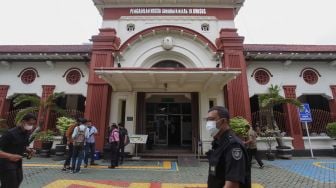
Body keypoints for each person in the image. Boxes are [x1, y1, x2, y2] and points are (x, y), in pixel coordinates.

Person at [206, 106, 251, 188]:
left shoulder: (233, 145)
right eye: (207, 120)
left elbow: (232, 185)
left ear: (223, 121)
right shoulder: (218, 143)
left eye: (211, 119)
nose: (208, 123)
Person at [0, 113, 37, 188]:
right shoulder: (10, 133)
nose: (31, 126)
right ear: (23, 122)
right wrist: (10, 156)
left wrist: (29, 150)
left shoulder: (26, 133)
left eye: (33, 124)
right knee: (10, 184)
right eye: (30, 124)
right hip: (5, 163)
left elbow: (23, 146)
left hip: (17, 163)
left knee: (19, 180)